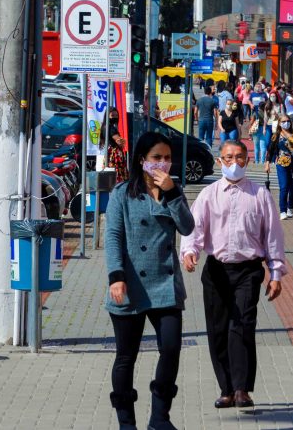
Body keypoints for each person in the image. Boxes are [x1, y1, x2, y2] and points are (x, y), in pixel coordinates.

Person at [180, 140, 286, 410]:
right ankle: (226, 389)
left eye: (239, 157)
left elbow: (273, 236)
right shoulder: (208, 194)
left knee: (242, 326)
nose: (234, 163)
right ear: (220, 161)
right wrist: (190, 251)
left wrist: (275, 273)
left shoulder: (260, 195)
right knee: (217, 329)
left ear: (247, 161)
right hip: (216, 270)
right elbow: (194, 227)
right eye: (228, 158)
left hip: (248, 270)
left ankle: (242, 389)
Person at [104, 132, 195, 430]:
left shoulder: (173, 190)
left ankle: (159, 418)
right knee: (126, 356)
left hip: (165, 285)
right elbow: (113, 237)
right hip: (131, 283)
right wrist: (116, 276)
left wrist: (172, 193)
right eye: (157, 157)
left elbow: (187, 227)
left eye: (167, 158)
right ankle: (126, 422)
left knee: (171, 348)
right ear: (142, 160)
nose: (162, 163)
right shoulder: (122, 193)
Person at [265, 114, 293, 220]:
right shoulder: (276, 136)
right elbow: (270, 150)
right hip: (281, 164)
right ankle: (283, 210)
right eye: (283, 121)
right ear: (279, 123)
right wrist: (267, 163)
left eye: (287, 121)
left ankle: (290, 207)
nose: (286, 123)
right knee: (284, 187)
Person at [100, 108, 129, 182]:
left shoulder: (104, 126)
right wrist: (123, 141)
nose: (115, 117)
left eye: (116, 115)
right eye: (112, 115)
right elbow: (119, 141)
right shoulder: (111, 127)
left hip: (110, 152)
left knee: (110, 172)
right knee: (117, 172)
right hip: (115, 153)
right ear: (107, 116)